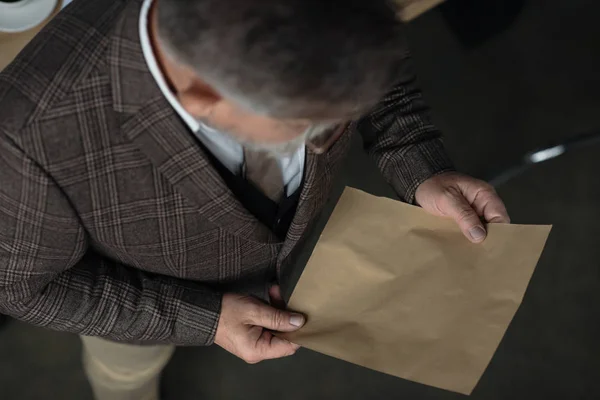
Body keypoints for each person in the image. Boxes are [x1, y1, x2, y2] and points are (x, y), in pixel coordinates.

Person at [0, 0, 510, 399]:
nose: (335, 133)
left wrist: (420, 163)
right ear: (201, 96)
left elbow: (373, 65)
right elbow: (20, 287)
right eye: (311, 125)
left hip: (295, 238)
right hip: (145, 294)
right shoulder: (26, 137)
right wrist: (203, 319)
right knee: (125, 375)